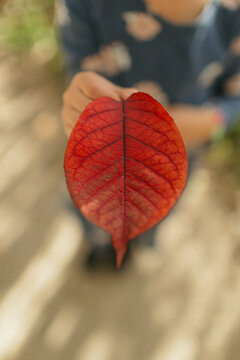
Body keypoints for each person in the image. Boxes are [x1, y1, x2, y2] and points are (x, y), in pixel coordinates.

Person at [57, 0, 240, 267]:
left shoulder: (232, 17)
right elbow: (78, 66)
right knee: (98, 210)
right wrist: (82, 98)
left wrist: (210, 121)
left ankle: (133, 241)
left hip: (176, 156)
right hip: (104, 159)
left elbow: (234, 98)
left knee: (149, 213)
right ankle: (102, 243)